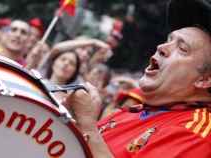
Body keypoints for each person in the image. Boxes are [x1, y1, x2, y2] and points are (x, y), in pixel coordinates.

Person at [65, 0, 211, 157]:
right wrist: (71, 120)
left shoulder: (196, 134)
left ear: (205, 80)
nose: (161, 47)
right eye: (169, 40)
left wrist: (88, 125)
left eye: (182, 49)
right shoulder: (136, 111)